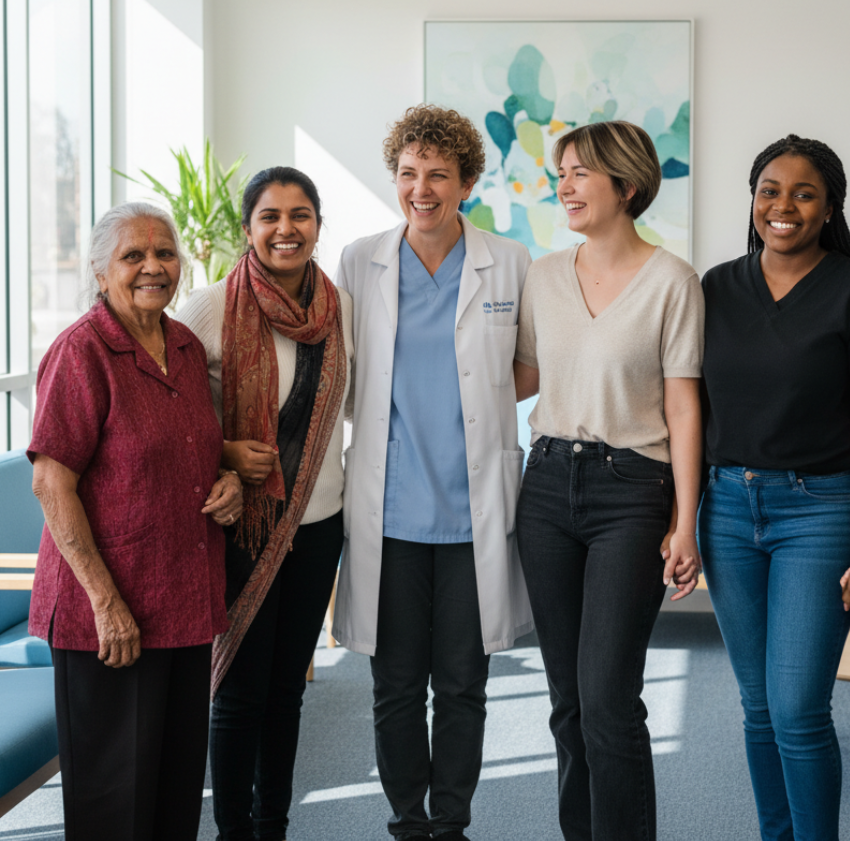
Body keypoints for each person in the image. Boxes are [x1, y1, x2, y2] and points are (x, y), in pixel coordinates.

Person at [333, 105, 532, 841]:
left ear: (467, 182)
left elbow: (531, 363)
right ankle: (406, 820)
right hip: (388, 510)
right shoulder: (360, 259)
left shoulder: (507, 262)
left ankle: (451, 821)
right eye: (409, 174)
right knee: (392, 685)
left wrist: (471, 395)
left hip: (471, 509)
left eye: (439, 175)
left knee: (463, 684)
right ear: (395, 177)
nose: (422, 189)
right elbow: (343, 370)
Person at [698, 135, 850, 841]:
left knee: (797, 709)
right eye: (769, 190)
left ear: (829, 207)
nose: (782, 206)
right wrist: (681, 519)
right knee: (757, 706)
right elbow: (690, 413)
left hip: (819, 512)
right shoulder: (715, 288)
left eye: (803, 193)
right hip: (725, 509)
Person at [512, 119, 704, 841]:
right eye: (560, 172)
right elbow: (524, 377)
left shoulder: (672, 282)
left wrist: (686, 521)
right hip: (547, 483)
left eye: (580, 172)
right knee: (566, 701)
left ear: (626, 185)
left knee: (607, 699)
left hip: (632, 491)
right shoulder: (543, 274)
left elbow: (685, 408)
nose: (563, 185)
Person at [27, 202, 241, 841]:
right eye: (133, 256)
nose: (154, 266)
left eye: (165, 253)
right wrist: (104, 601)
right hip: (110, 616)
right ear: (99, 272)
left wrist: (226, 482)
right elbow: (50, 481)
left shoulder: (184, 343)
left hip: (184, 604)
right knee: (113, 806)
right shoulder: (81, 352)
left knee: (174, 795)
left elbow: (195, 448)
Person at [176, 166, 353, 841]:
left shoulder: (338, 310)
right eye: (271, 216)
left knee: (288, 691)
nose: (287, 229)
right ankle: (232, 830)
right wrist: (223, 452)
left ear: (316, 223)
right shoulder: (208, 307)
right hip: (243, 528)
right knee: (241, 691)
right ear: (248, 228)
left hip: (319, 527)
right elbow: (168, 418)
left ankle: (272, 823)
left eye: (300, 214)